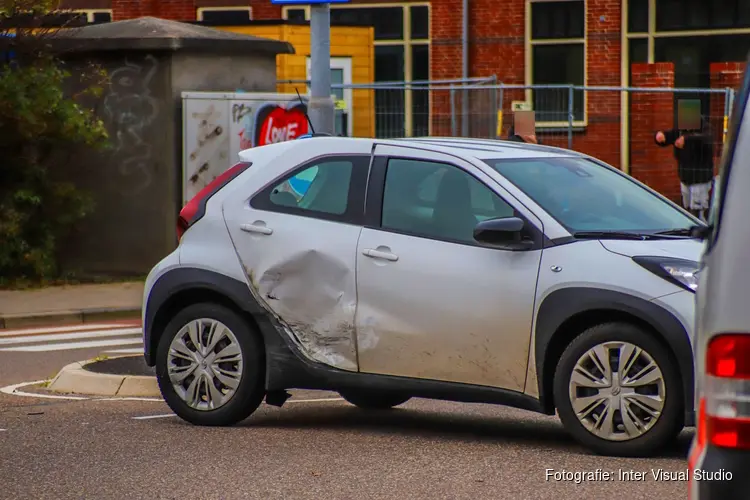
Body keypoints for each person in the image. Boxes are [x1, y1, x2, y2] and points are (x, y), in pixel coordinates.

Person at [654, 119, 714, 221]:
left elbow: (705, 138)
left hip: (700, 178)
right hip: (685, 177)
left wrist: (686, 140)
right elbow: (669, 136)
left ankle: (701, 229)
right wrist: (660, 136)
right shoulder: (681, 129)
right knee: (686, 209)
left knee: (698, 210)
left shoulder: (705, 128)